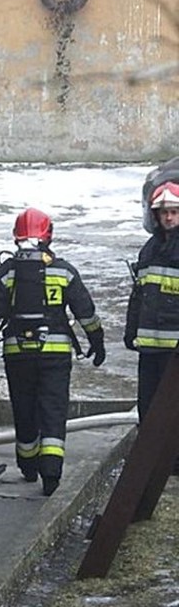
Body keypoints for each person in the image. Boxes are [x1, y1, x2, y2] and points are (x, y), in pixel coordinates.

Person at [0, 207, 105, 496]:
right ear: (49, 235)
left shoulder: (6, 272)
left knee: (24, 407)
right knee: (53, 409)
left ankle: (28, 465)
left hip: (16, 353)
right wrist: (97, 340)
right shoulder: (63, 271)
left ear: (15, 236)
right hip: (56, 353)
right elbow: (85, 311)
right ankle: (52, 473)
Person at [124, 180, 179, 424]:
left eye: (174, 212)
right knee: (148, 410)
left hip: (175, 350)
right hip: (149, 348)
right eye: (164, 212)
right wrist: (130, 329)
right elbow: (138, 296)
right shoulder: (149, 250)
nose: (169, 218)